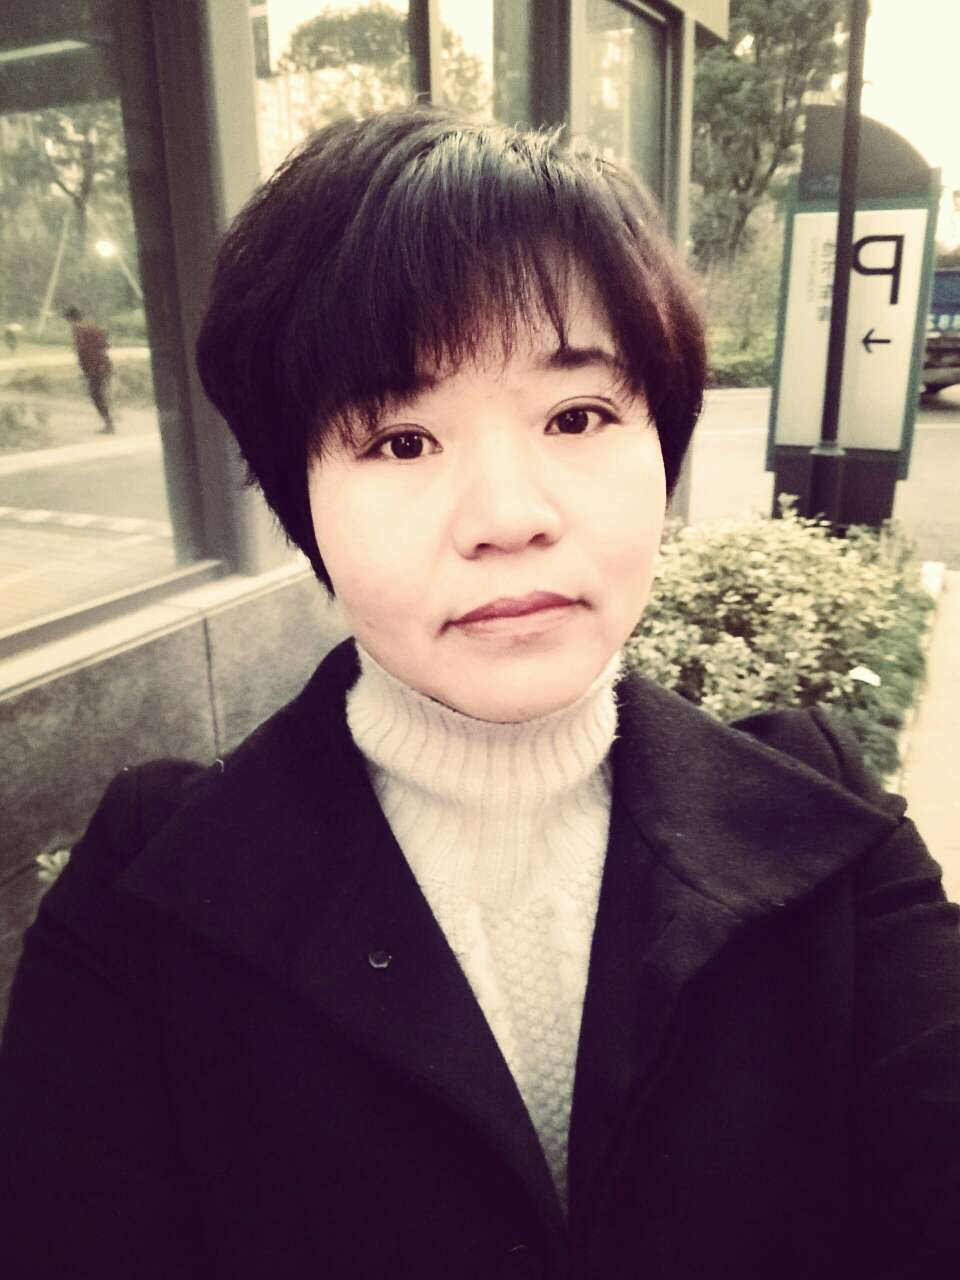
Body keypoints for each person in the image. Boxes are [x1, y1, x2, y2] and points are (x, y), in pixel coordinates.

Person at [1, 107, 958, 1279]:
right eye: (401, 441)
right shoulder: (148, 899)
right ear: (304, 501)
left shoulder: (830, 835)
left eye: (578, 415)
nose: (509, 516)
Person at [63, 305, 116, 433]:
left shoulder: (78, 330)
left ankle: (109, 423)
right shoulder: (92, 326)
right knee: (101, 394)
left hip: (95, 367)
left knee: (96, 395)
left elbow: (82, 351)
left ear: (70, 318)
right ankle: (109, 420)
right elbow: (105, 344)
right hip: (103, 364)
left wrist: (86, 370)